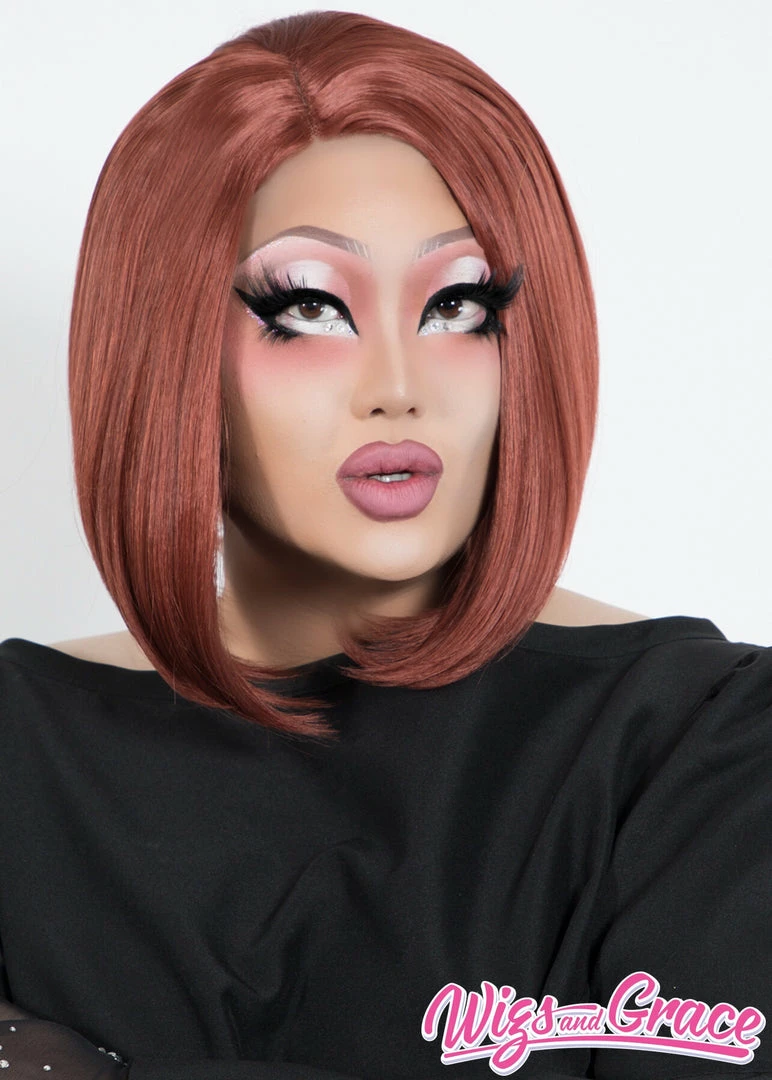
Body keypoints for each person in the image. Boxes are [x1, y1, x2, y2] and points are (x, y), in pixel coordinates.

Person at [0, 9, 769, 1079]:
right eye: (311, 309)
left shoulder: (697, 744)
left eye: (458, 305)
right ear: (163, 344)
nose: (399, 388)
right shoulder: (21, 752)